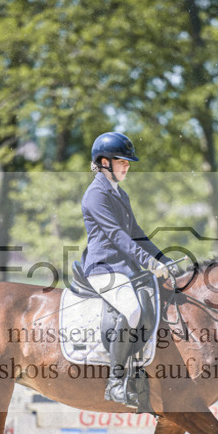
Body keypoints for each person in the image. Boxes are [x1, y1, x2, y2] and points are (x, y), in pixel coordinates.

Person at [81, 131, 170, 408]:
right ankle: (116, 382)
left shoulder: (120, 193)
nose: (127, 166)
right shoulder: (96, 194)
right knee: (132, 310)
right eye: (122, 161)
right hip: (103, 267)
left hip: (123, 267)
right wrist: (149, 262)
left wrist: (162, 257)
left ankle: (138, 372)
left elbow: (136, 233)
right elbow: (118, 236)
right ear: (104, 162)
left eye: (128, 162)